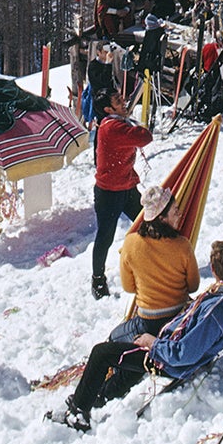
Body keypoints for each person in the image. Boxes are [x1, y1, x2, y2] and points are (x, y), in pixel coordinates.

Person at [47, 241, 223, 431]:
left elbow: (183, 354)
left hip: (170, 361)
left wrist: (151, 342)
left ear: (214, 270)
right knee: (130, 357)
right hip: (175, 343)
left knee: (102, 352)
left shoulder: (214, 313)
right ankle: (100, 395)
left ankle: (78, 413)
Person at [91, 91, 152, 298]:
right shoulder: (113, 127)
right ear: (108, 109)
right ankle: (98, 280)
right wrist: (136, 124)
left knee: (147, 224)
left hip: (126, 187)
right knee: (105, 237)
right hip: (109, 192)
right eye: (118, 102)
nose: (123, 103)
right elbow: (145, 137)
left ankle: (150, 265)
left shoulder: (116, 123)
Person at [116, 185, 199, 335]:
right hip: (178, 318)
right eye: (175, 212)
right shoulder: (182, 245)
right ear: (161, 219)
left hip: (147, 321)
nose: (180, 215)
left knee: (114, 337)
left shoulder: (130, 243)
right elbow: (193, 286)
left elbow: (129, 287)